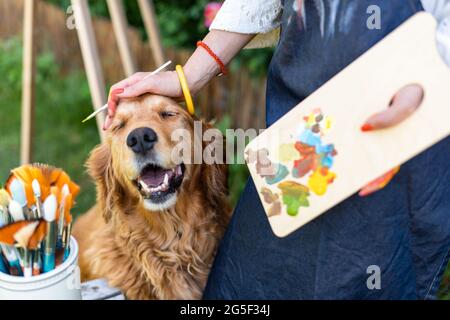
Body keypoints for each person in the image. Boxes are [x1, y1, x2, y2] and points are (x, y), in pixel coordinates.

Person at [103, 0, 450, 299]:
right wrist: (188, 77)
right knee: (249, 283)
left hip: (407, 118)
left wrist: (430, 76)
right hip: (302, 125)